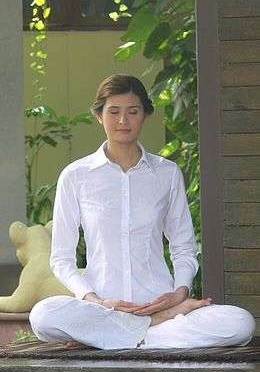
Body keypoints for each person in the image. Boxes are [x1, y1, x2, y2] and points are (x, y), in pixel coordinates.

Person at [29, 74, 255, 350]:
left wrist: (179, 294)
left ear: (144, 115)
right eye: (114, 112)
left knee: (240, 323)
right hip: (102, 308)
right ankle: (151, 328)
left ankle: (115, 335)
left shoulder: (166, 174)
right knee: (42, 315)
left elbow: (183, 247)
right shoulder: (76, 176)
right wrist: (93, 301)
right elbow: (62, 259)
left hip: (158, 300)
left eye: (132, 112)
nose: (123, 121)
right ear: (99, 115)